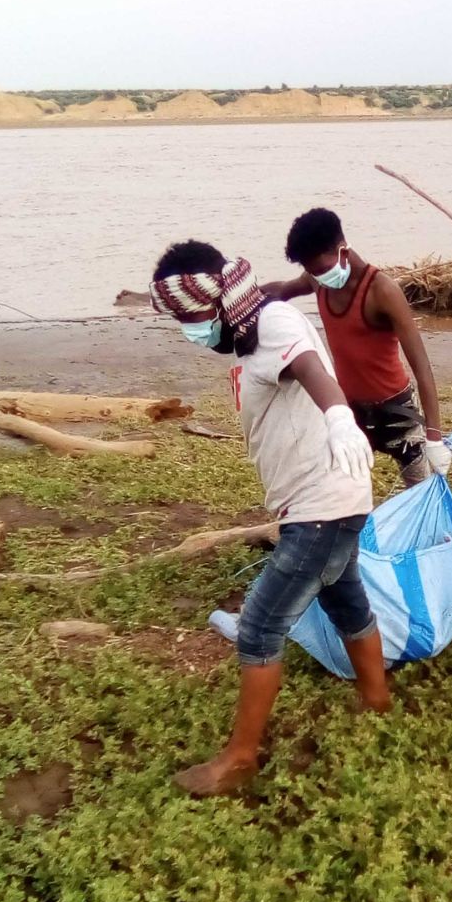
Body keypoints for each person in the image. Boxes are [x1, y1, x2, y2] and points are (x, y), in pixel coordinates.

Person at [150, 240, 391, 795]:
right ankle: (378, 705)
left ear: (215, 302)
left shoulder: (274, 325)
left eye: (190, 319)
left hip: (322, 505)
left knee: (260, 627)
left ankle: (239, 760)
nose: (190, 332)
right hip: (324, 501)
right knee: (345, 598)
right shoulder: (252, 332)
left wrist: (338, 417)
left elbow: (312, 370)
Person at [262, 207, 451, 485]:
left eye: (323, 269)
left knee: (422, 488)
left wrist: (434, 438)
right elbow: (281, 291)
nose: (319, 277)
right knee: (340, 486)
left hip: (395, 410)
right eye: (311, 271)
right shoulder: (318, 278)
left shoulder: (382, 291)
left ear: (342, 251)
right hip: (348, 408)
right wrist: (241, 298)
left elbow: (422, 367)